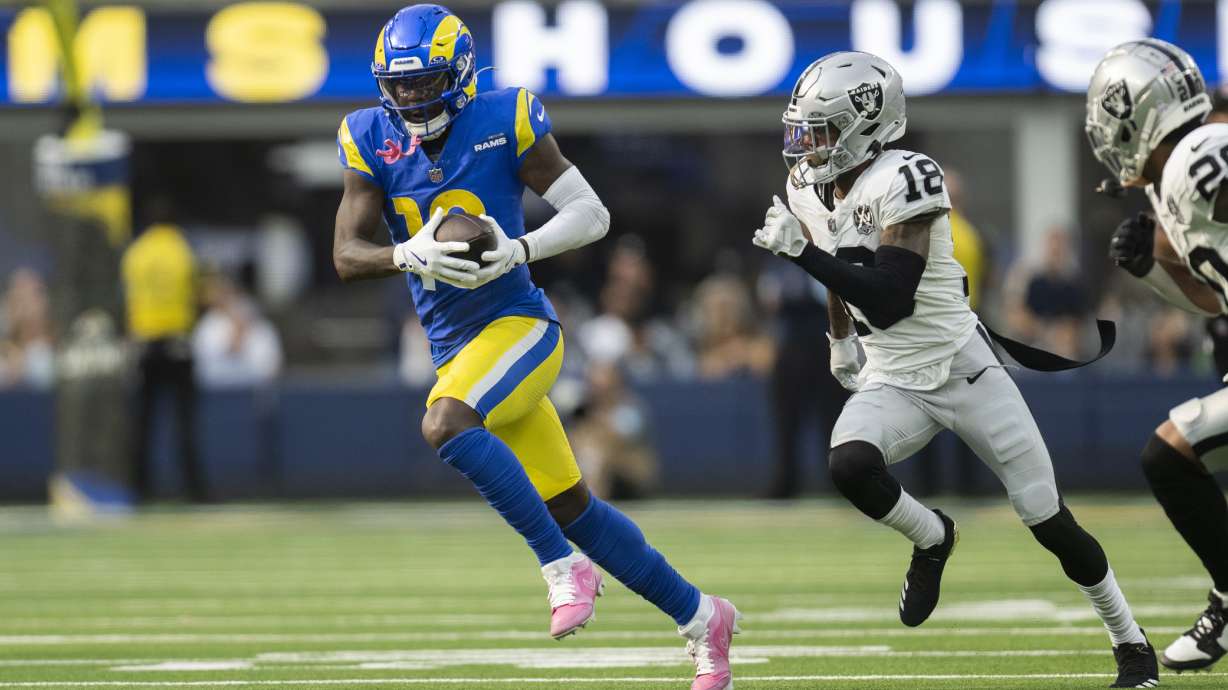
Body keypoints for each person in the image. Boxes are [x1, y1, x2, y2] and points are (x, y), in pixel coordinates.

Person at [330, 7, 738, 689]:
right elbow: (346, 254)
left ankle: (559, 566)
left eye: (423, 83)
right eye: (397, 86)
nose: (408, 98)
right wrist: (409, 251)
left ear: (458, 74)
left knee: (445, 421)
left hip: (521, 327)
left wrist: (517, 248)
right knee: (575, 507)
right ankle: (703, 619)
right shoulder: (367, 137)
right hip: (459, 349)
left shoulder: (507, 117)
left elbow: (592, 214)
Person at [753, 51, 1156, 687]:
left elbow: (889, 295)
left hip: (963, 371)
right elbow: (839, 255)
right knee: (849, 465)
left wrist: (801, 255)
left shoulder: (910, 175)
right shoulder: (809, 185)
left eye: (824, 128)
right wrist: (838, 340)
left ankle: (1131, 643)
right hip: (891, 376)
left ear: (866, 122)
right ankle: (933, 536)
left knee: (1049, 520)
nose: (810, 144)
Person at [1088, 38, 1228, 673]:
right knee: (1170, 452)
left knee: (1170, 454)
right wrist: (1154, 268)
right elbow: (1213, 299)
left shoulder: (1200, 153)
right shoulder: (1172, 181)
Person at [121, 215, 206, 503]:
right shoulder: (182, 249)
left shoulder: (137, 252)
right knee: (185, 423)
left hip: (144, 344)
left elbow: (129, 298)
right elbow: (196, 292)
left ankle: (139, 490)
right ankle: (194, 492)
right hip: (177, 343)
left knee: (143, 424)